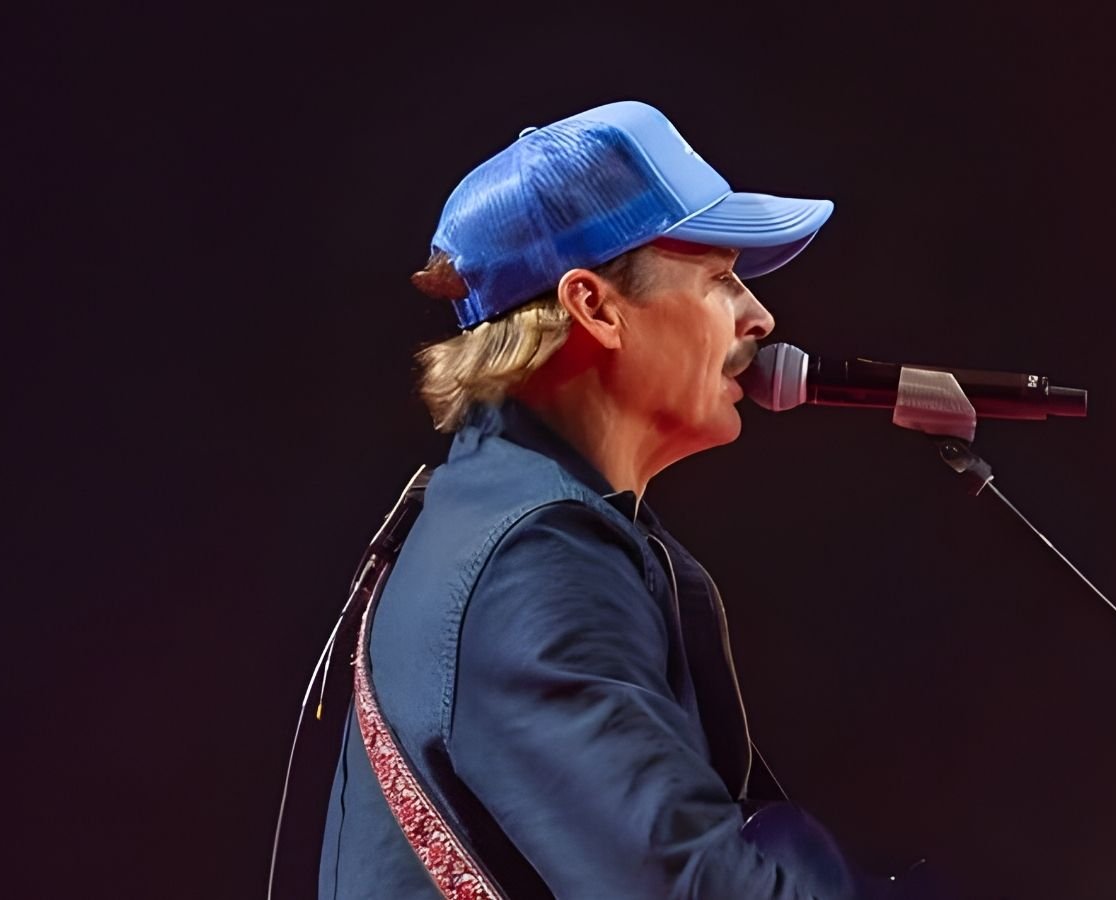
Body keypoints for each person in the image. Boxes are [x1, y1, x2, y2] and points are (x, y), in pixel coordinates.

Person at [318, 100, 842, 899]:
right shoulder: (532, 565)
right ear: (594, 306)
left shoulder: (497, 520)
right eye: (718, 279)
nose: (760, 316)